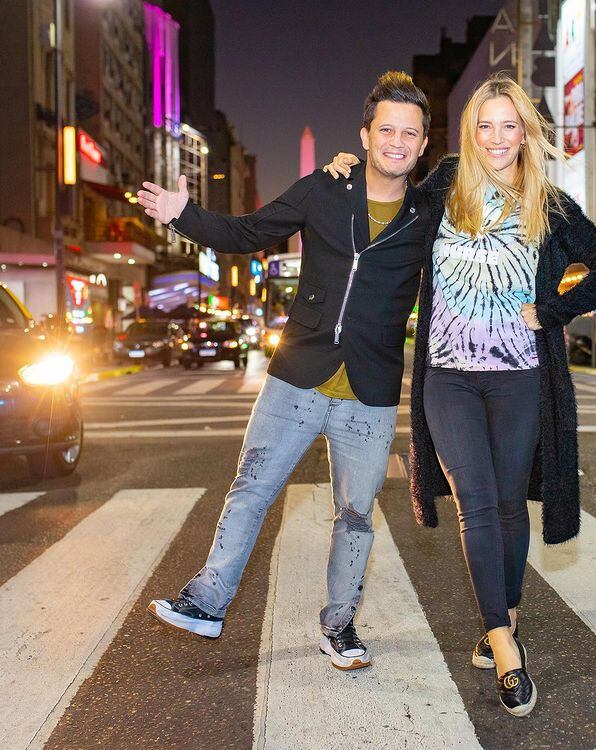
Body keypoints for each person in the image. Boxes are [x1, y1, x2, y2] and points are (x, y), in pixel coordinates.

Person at [325, 73, 596, 715]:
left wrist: (550, 311)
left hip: (520, 376)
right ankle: (505, 649)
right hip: (449, 377)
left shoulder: (547, 202)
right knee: (476, 504)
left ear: (525, 132)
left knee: (509, 506)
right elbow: (386, 185)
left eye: (509, 125)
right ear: (471, 131)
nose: (496, 138)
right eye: (485, 125)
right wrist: (349, 168)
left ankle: (505, 617)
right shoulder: (442, 185)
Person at [136, 71, 431, 671]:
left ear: (423, 146)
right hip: (297, 373)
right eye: (387, 129)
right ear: (365, 135)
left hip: (370, 391)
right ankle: (208, 601)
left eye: (410, 133)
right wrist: (182, 214)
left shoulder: (428, 213)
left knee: (355, 515)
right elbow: (249, 231)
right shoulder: (325, 188)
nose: (397, 142)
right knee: (252, 489)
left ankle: (340, 625)